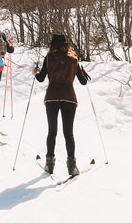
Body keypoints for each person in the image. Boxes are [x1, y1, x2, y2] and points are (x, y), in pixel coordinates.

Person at [34, 33, 90, 176]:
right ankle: (72, 166)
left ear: (52, 45)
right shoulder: (73, 60)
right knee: (68, 133)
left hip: (52, 96)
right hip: (69, 97)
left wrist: (36, 71)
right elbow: (84, 82)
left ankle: (49, 164)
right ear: (66, 44)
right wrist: (82, 70)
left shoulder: (49, 58)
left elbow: (40, 79)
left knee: (52, 131)